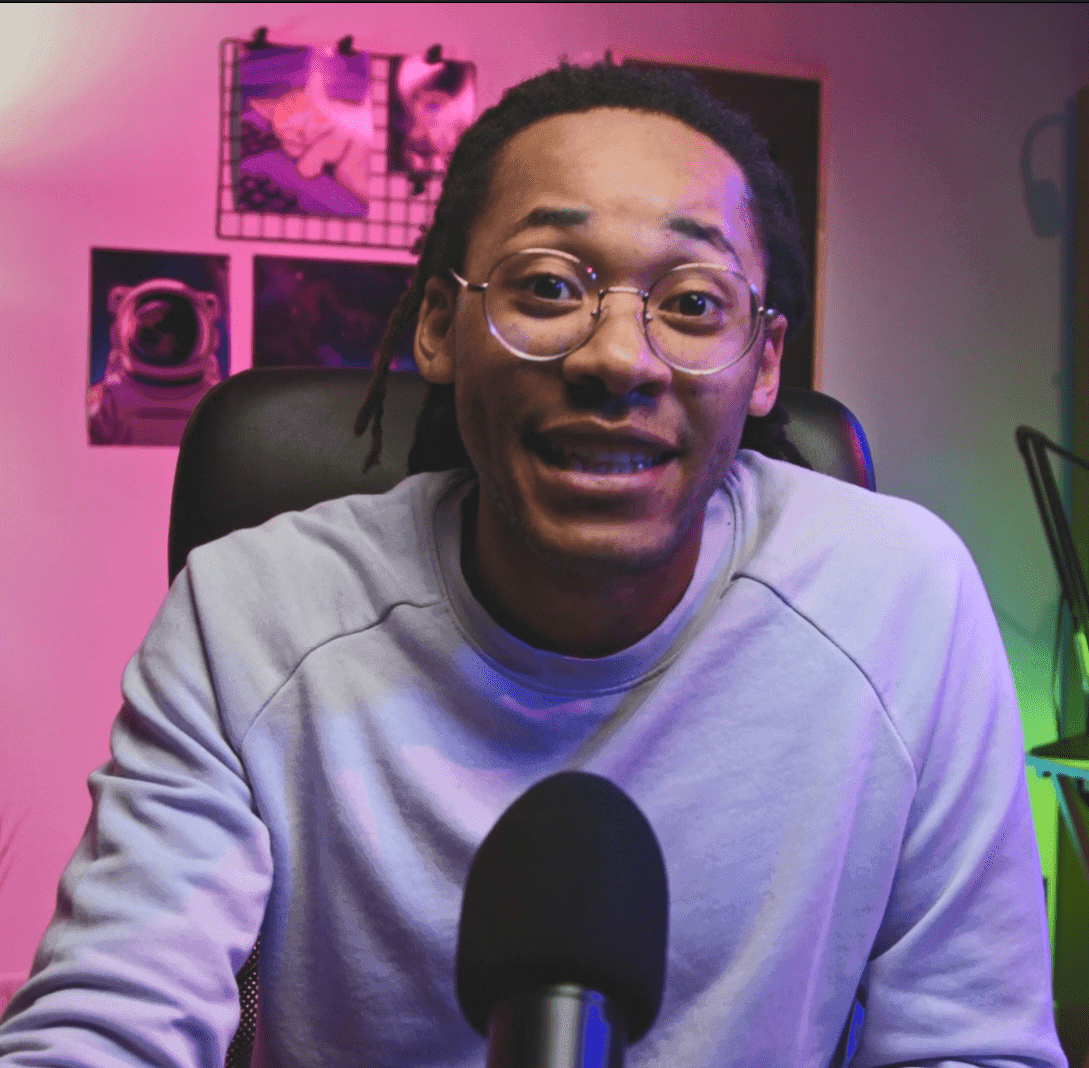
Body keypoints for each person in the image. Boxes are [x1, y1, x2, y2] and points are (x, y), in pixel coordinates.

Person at [0, 63, 1065, 1068]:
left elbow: (973, 1037)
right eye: (550, 286)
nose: (617, 357)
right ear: (437, 325)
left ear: (764, 363)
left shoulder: (900, 599)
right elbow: (108, 1015)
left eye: (693, 304)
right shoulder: (250, 615)